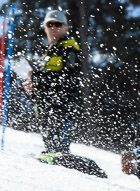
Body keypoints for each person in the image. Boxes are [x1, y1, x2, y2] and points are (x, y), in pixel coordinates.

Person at [23, 10, 105, 178]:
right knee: (51, 153)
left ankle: (92, 173)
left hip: (62, 109)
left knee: (58, 154)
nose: (53, 28)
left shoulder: (69, 49)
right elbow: (47, 83)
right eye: (49, 24)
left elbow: (68, 79)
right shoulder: (49, 52)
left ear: (66, 28)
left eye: (57, 24)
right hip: (47, 109)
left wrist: (37, 77)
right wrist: (32, 88)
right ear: (44, 27)